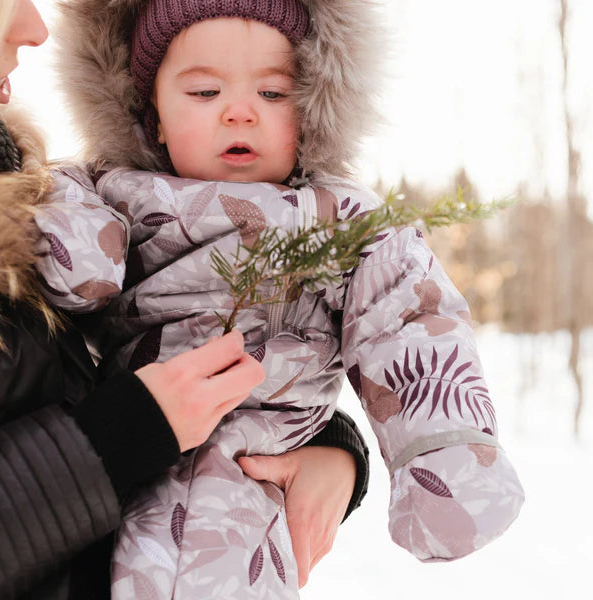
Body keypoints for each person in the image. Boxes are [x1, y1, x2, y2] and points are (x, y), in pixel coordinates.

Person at [34, 0, 525, 598]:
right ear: (152, 115)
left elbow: (408, 314)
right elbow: (66, 249)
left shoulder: (340, 219)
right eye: (205, 91)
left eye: (273, 94)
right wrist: (68, 235)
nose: (240, 112)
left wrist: (443, 450)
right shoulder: (108, 190)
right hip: (128, 464)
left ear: (314, 111)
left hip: (260, 470)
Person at [0, 2, 371, 599]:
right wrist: (117, 437)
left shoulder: (33, 190)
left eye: (275, 93)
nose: (34, 27)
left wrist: (324, 444)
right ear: (155, 115)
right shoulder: (81, 202)